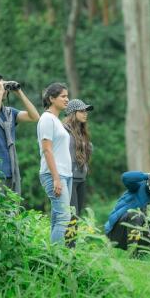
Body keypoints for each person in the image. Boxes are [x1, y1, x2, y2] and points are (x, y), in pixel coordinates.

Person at [105, 170, 150, 252]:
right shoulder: (138, 186)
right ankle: (133, 253)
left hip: (137, 235)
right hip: (116, 233)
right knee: (136, 215)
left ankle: (138, 254)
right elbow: (125, 177)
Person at [37, 82, 72, 244]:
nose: (67, 99)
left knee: (58, 217)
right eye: (63, 96)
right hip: (54, 175)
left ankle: (50, 258)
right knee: (65, 217)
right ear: (52, 98)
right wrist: (56, 178)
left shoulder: (57, 120)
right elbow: (47, 150)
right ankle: (56, 258)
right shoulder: (46, 119)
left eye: (67, 96)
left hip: (65, 175)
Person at [62, 99, 94, 247]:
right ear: (72, 113)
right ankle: (68, 250)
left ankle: (71, 249)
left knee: (77, 215)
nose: (85, 114)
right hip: (69, 178)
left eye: (86, 111)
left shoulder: (82, 132)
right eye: (82, 111)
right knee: (71, 216)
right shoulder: (63, 130)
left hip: (81, 178)